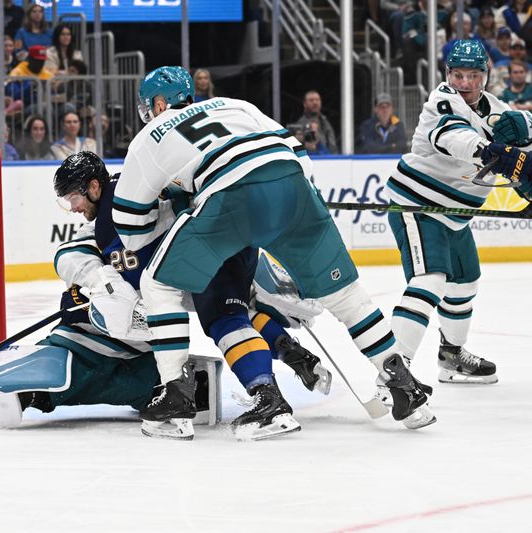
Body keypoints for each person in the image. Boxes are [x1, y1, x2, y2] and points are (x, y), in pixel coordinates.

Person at [111, 66, 436, 435]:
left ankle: (175, 398)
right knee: (347, 297)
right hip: (294, 185)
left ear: (157, 103)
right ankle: (404, 386)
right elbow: (298, 154)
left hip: (230, 196)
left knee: (159, 283)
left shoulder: (151, 134)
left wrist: (181, 217)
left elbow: (129, 223)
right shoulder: (233, 104)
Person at [54, 152, 330, 440]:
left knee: (225, 321)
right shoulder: (130, 189)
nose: (72, 207)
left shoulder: (117, 209)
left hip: (207, 247)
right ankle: (291, 352)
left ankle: (267, 399)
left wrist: (107, 283)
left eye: (74, 197)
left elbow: (130, 263)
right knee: (238, 311)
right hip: (227, 242)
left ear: (94, 187)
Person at [387, 40, 505, 387]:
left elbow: (520, 139)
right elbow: (456, 138)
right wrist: (494, 152)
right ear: (447, 74)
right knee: (431, 280)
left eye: (473, 75)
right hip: (419, 205)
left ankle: (452, 357)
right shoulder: (442, 101)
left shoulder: (496, 108)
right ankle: (393, 373)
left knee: (465, 282)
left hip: (455, 215)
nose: (465, 83)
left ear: (485, 75)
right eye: (458, 75)